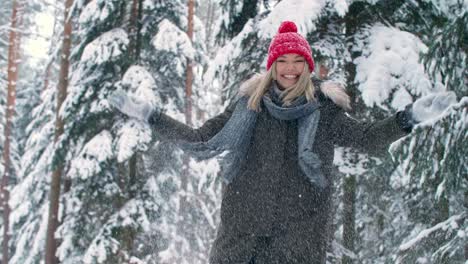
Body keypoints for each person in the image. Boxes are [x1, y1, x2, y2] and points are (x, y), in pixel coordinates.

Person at [109, 21, 456, 264]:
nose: (289, 68)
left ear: (307, 67)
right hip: (238, 244)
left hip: (296, 247)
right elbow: (201, 141)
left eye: (297, 61)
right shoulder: (248, 108)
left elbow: (366, 138)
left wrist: (408, 118)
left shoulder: (324, 112)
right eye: (282, 61)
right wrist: (151, 116)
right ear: (272, 66)